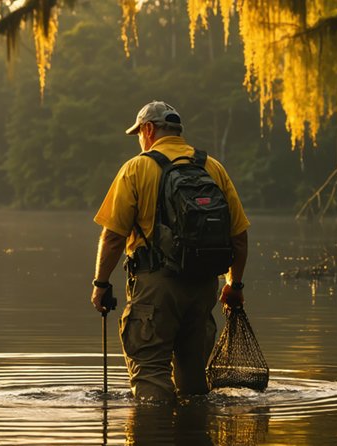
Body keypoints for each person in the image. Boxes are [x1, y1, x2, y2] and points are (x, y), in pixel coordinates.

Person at [90, 101, 250, 401]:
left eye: (139, 132)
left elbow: (113, 237)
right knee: (193, 384)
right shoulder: (212, 167)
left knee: (150, 375)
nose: (140, 139)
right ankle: (194, 442)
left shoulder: (137, 168)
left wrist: (100, 284)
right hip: (203, 288)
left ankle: (153, 439)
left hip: (155, 289)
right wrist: (234, 285)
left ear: (148, 130)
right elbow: (239, 236)